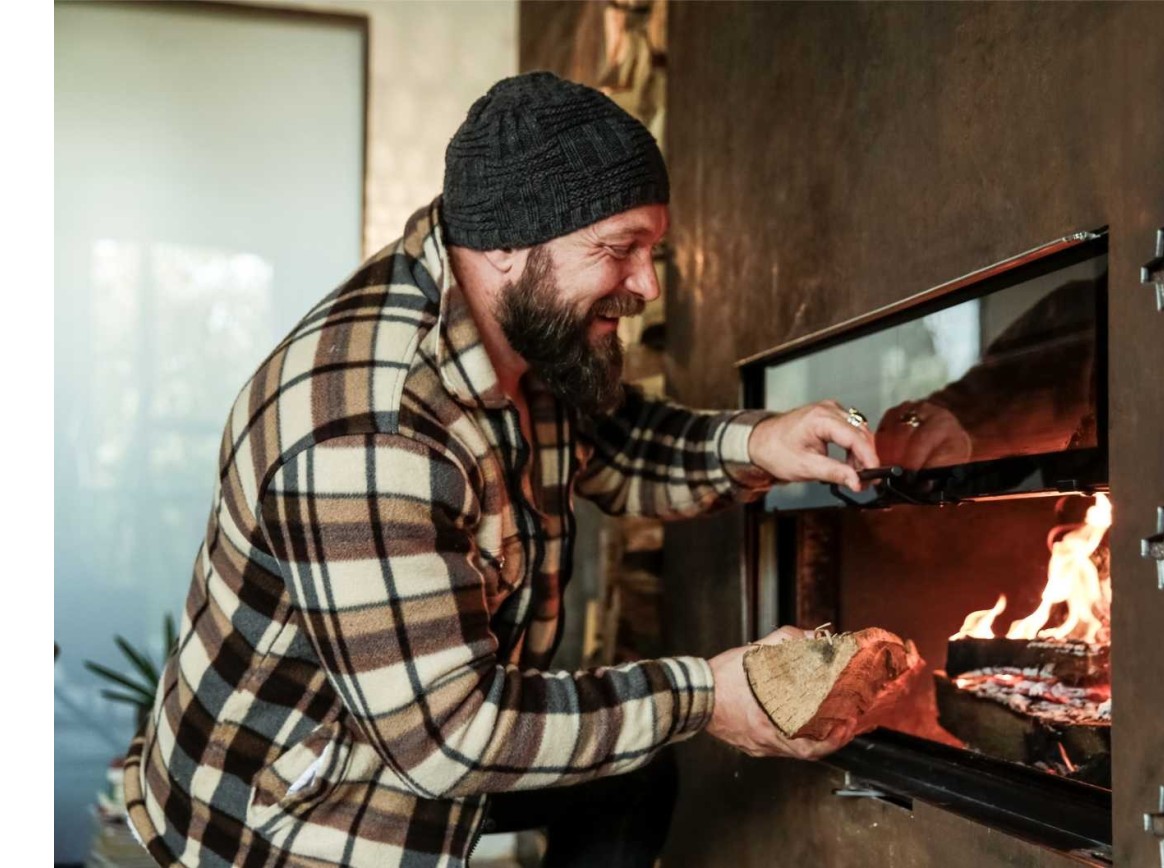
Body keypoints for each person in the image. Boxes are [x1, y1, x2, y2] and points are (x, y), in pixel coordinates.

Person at [122, 71, 882, 867]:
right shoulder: (372, 430)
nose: (647, 286)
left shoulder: (523, 323)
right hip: (291, 823)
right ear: (509, 244)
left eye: (651, 249)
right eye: (620, 250)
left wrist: (764, 441)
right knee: (637, 736)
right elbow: (450, 738)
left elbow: (616, 449)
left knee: (629, 776)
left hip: (411, 742)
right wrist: (708, 695)